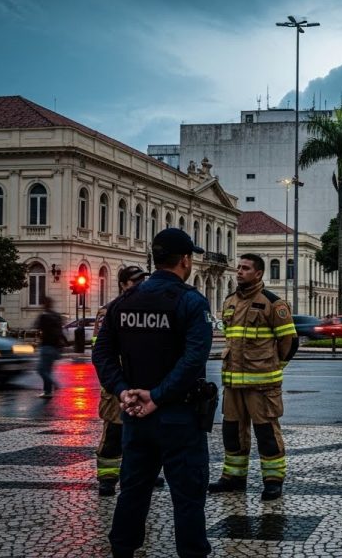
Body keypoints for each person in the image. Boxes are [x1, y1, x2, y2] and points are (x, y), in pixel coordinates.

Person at [93, 228, 213, 558]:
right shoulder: (190, 301)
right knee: (188, 497)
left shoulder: (123, 302)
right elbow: (193, 360)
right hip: (179, 417)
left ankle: (122, 550)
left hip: (135, 416)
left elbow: (101, 354)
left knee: (132, 490)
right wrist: (157, 396)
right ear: (185, 260)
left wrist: (122, 391)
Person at [208, 253, 297, 501]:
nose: (239, 272)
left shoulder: (273, 303)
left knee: (266, 433)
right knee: (232, 432)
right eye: (238, 268)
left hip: (262, 385)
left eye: (245, 268)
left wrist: (274, 367)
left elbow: (289, 342)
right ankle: (233, 478)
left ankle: (273, 480)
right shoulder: (229, 302)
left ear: (258, 273)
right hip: (233, 383)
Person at [92, 265, 150, 497]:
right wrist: (113, 382)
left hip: (143, 382)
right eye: (135, 282)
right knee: (114, 432)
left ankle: (145, 472)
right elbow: (101, 351)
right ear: (123, 285)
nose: (139, 286)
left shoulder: (148, 309)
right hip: (117, 383)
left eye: (142, 281)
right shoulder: (109, 311)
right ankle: (107, 477)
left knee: (145, 433)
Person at [33, 296, 65, 398]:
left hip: (46, 346)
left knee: (41, 370)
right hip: (55, 347)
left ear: (44, 305)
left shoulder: (44, 316)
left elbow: (36, 326)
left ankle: (55, 384)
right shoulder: (56, 316)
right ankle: (47, 392)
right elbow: (61, 332)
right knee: (48, 370)